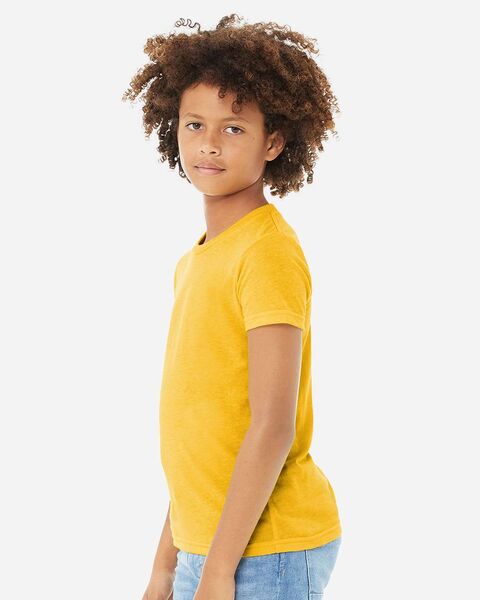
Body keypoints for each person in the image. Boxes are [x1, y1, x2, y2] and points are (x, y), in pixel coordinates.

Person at [122, 14, 342, 600]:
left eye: (234, 128)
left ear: (274, 142)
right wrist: (166, 562)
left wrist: (220, 570)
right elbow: (202, 433)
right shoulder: (195, 261)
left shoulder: (267, 253)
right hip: (207, 547)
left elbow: (272, 424)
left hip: (264, 550)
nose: (209, 144)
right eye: (194, 124)